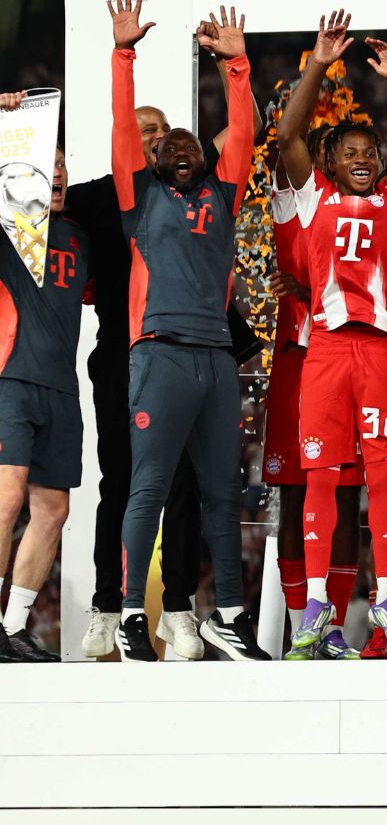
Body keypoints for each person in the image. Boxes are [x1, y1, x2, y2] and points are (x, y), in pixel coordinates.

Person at [108, 0, 270, 661]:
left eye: (187, 141)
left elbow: (244, 130)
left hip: (215, 360)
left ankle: (228, 613)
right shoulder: (138, 196)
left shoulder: (222, 194)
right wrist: (123, 53)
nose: (177, 147)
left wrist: (236, 66)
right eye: (163, 144)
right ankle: (126, 614)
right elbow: (122, 127)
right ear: (151, 159)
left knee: (220, 491)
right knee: (148, 486)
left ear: (204, 155)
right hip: (162, 357)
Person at [277, 9, 387, 655]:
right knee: (320, 474)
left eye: (370, 154)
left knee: (383, 475)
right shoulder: (313, 195)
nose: (364, 162)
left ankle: (386, 600)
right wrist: (319, 63)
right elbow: (288, 133)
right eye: (351, 154)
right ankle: (318, 600)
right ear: (331, 160)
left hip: (380, 353)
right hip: (326, 351)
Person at [61, 102, 207, 659]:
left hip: (184, 358)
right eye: (146, 130)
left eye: (163, 131)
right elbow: (25, 206)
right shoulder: (98, 196)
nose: (156, 138)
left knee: (184, 484)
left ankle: (177, 610)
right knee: (119, 484)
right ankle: (104, 609)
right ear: (125, 138)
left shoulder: (194, 194)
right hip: (121, 360)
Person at [263, 127, 364, 660]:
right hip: (297, 365)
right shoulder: (292, 201)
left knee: (346, 498)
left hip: (347, 364)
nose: (329, 159)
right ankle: (302, 625)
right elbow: (283, 144)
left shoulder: (365, 210)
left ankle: (335, 631)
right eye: (327, 149)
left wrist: (306, 291)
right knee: (295, 497)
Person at [0, 131, 84, 662]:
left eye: (61, 165)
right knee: (7, 496)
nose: (54, 173)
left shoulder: (80, 236)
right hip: (10, 377)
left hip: (62, 387)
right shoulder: (12, 230)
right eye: (43, 165)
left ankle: (12, 627)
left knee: (52, 508)